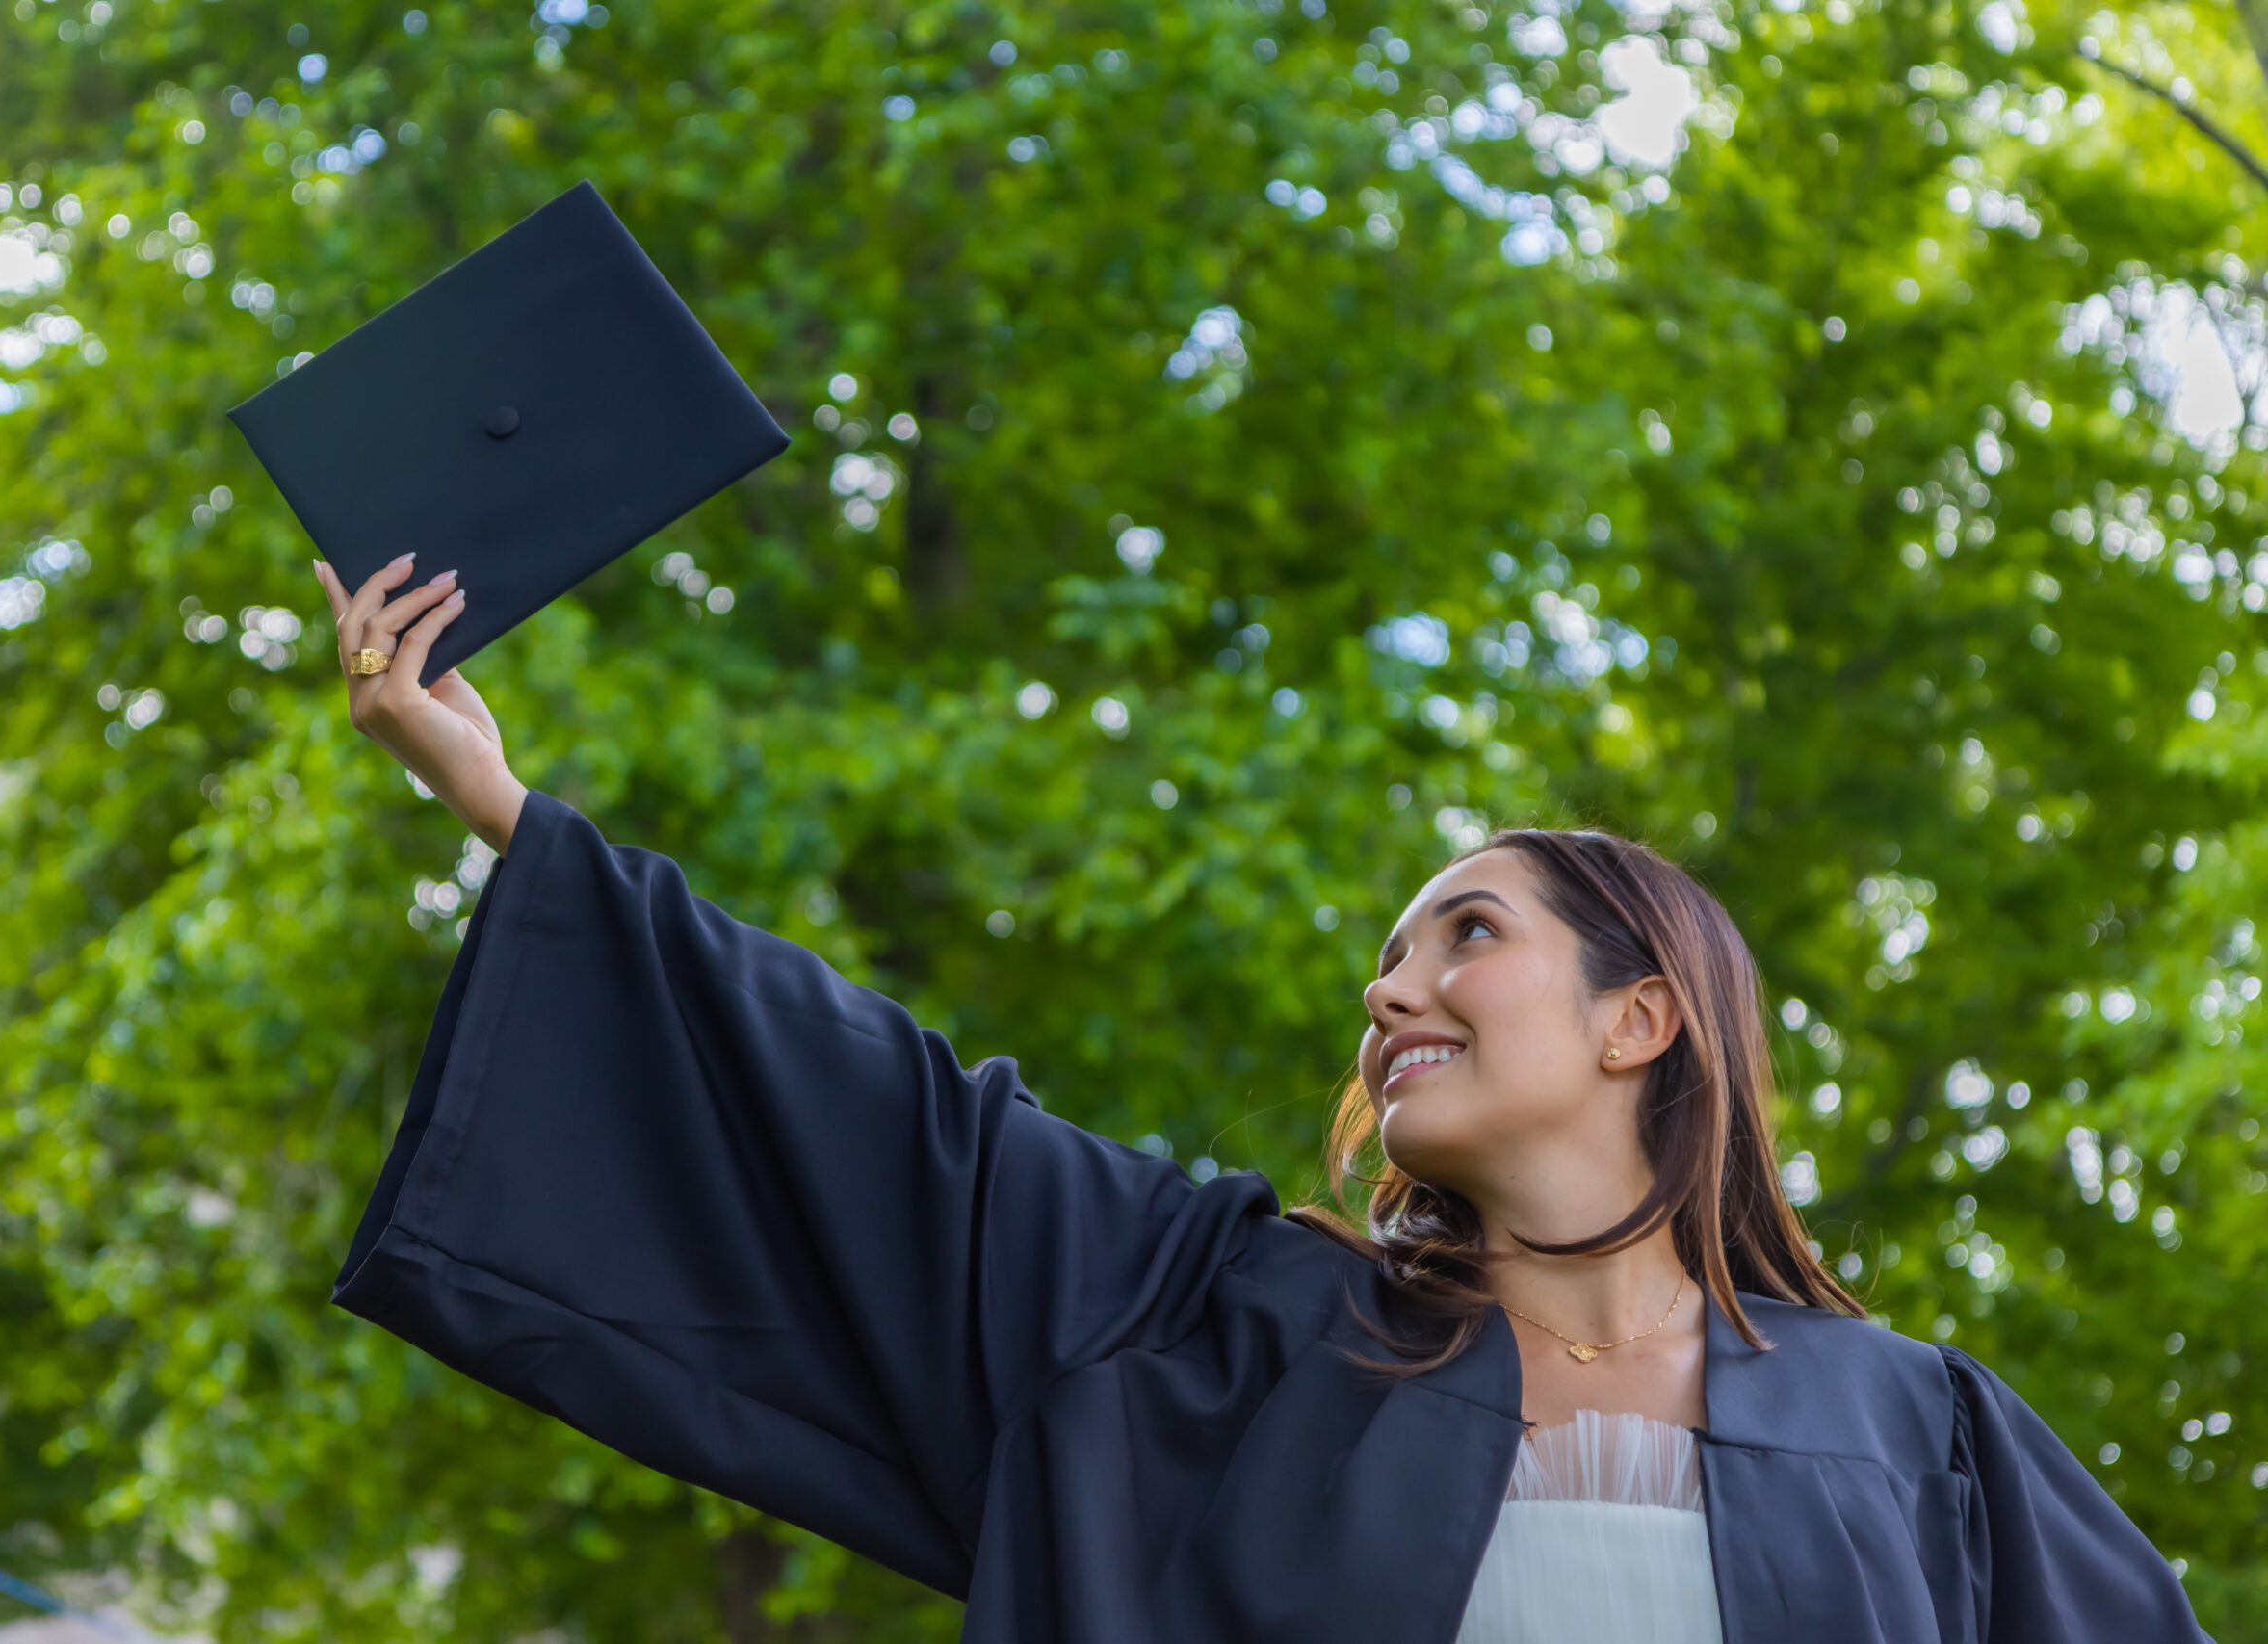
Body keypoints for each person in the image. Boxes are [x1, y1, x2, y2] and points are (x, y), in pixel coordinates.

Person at [312, 557, 2213, 1643]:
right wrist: (505, 810)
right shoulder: (1231, 1325)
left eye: (1466, 934)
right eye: (1386, 957)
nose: (1389, 992)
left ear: (1640, 1018)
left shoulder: (1915, 1431)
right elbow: (883, 1124)